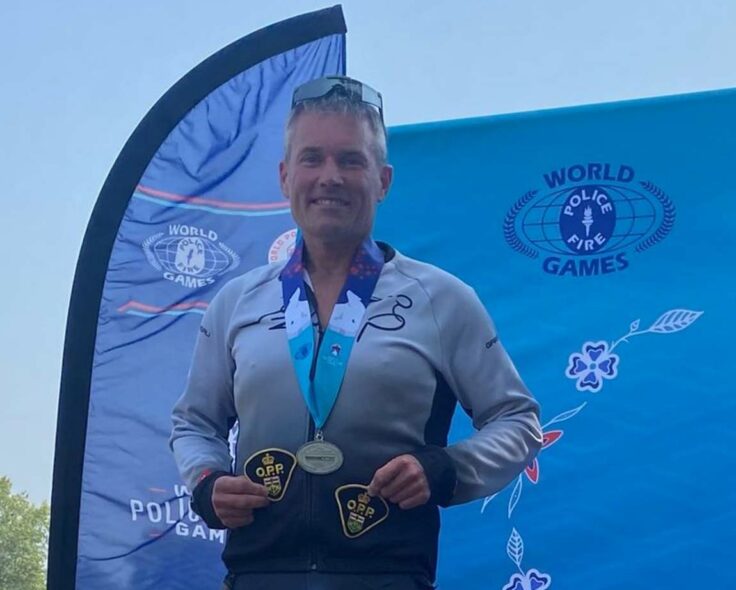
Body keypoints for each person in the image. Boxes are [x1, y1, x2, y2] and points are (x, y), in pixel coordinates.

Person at [170, 76, 543, 590]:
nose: (330, 177)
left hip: (388, 575)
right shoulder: (236, 302)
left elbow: (518, 421)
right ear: (284, 176)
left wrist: (443, 469)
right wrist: (207, 483)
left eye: (351, 161)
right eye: (312, 158)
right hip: (259, 575)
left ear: (382, 181)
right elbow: (194, 423)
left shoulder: (442, 299)